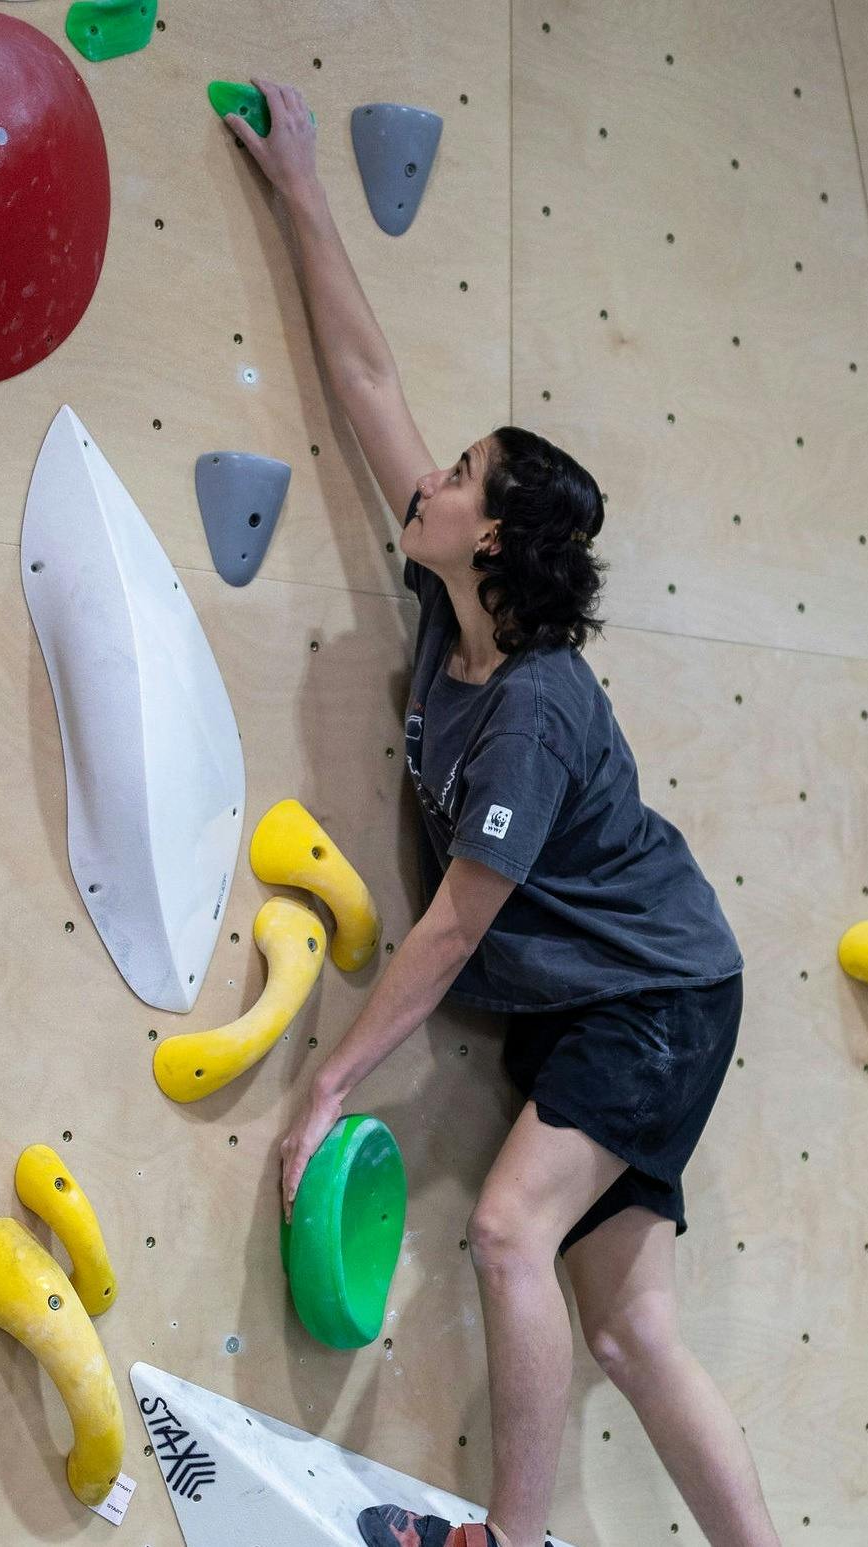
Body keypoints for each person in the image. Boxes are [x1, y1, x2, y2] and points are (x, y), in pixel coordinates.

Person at [225, 81, 782, 1547]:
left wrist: (336, 1076)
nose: (434, 477)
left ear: (498, 543)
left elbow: (457, 927)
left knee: (503, 1230)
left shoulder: (534, 704)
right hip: (619, 1001)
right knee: (631, 1335)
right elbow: (366, 375)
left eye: (460, 478)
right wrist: (303, 191)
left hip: (653, 1001)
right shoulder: (449, 611)